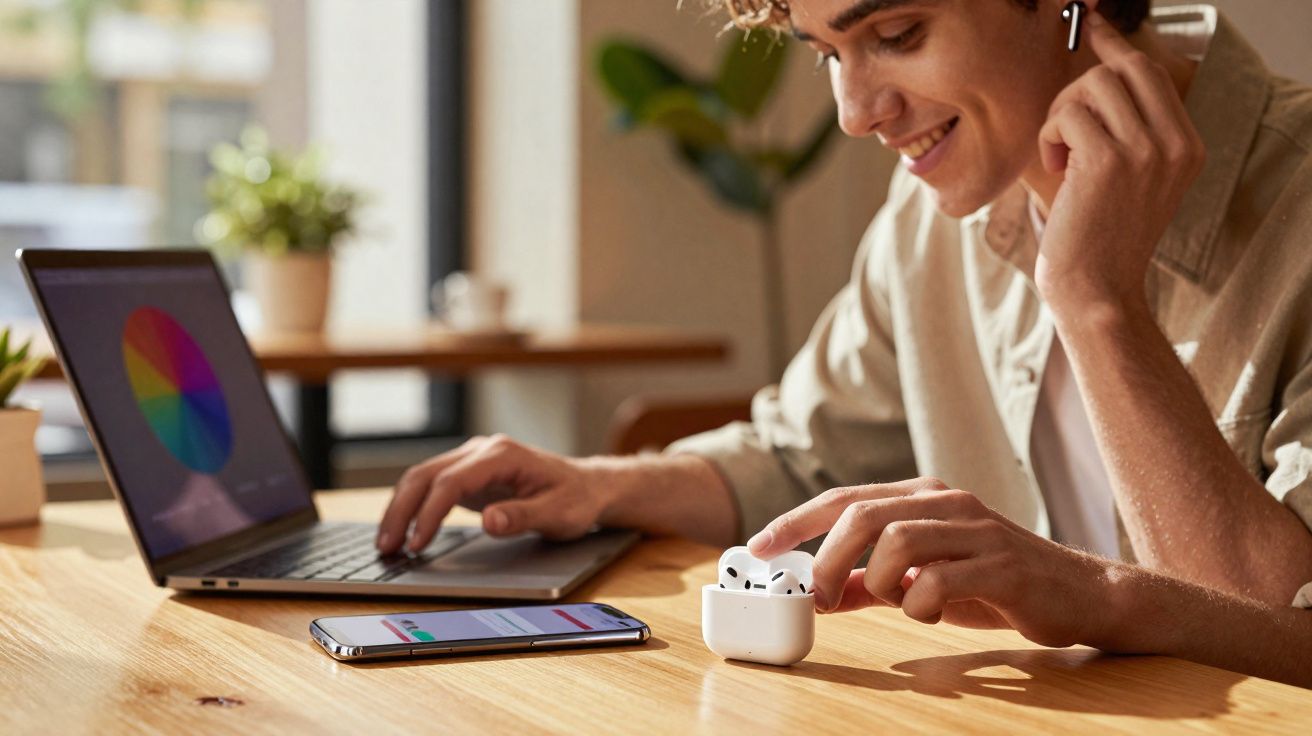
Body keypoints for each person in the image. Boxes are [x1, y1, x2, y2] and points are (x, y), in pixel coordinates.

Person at [377, 0, 1312, 686]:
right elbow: (802, 453)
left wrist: (1093, 300)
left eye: (897, 35)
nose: (855, 112)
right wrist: (599, 485)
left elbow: (1285, 639)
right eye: (826, 51)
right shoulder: (931, 217)